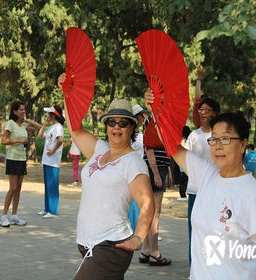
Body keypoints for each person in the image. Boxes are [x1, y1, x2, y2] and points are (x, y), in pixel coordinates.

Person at [145, 90, 256, 280]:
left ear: (243, 144)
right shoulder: (206, 175)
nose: (218, 145)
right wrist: (155, 111)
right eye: (214, 139)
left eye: (226, 139)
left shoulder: (252, 192)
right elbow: (172, 144)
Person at [58, 71, 154, 279]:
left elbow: (147, 204)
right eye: (112, 122)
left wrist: (138, 237)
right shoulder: (99, 149)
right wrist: (67, 92)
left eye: (123, 123)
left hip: (110, 246)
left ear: (132, 127)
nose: (116, 127)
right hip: (88, 244)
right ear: (106, 125)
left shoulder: (133, 163)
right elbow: (74, 129)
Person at [184, 97, 220, 265]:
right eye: (201, 110)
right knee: (195, 232)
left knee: (213, 232)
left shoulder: (220, 135)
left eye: (208, 110)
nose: (204, 113)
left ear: (216, 113)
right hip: (195, 191)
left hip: (215, 190)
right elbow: (186, 162)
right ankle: (194, 269)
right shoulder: (194, 135)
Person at [0, 101, 41, 227]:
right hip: (12, 159)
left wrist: (26, 119)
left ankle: (15, 215)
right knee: (12, 188)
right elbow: (4, 140)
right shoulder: (10, 124)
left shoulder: (23, 125)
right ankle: (4, 216)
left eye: (24, 109)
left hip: (22, 159)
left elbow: (39, 126)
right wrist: (18, 140)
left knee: (18, 189)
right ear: (14, 111)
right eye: (21, 110)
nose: (23, 111)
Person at [139, 115, 172, 266]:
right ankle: (154, 253)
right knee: (155, 213)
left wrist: (168, 170)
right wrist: (157, 173)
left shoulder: (158, 119)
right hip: (155, 168)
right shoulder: (154, 120)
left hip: (158, 167)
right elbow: (149, 147)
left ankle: (146, 250)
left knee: (148, 211)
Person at [37, 105, 65, 219]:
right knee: (48, 185)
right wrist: (44, 124)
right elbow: (40, 136)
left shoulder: (58, 127)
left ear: (54, 115)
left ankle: (53, 211)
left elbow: (61, 140)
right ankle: (47, 208)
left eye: (49, 114)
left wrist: (53, 150)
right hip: (47, 160)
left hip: (53, 160)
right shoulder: (52, 127)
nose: (47, 115)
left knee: (52, 185)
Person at [128, 104, 148, 231]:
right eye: (141, 116)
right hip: (130, 172)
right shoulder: (128, 135)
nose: (143, 118)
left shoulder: (141, 134)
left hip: (140, 172)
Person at [177, 125, 191, 201]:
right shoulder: (190, 140)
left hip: (182, 164)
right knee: (186, 180)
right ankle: (184, 194)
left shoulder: (183, 141)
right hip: (188, 164)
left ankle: (183, 195)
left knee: (183, 180)